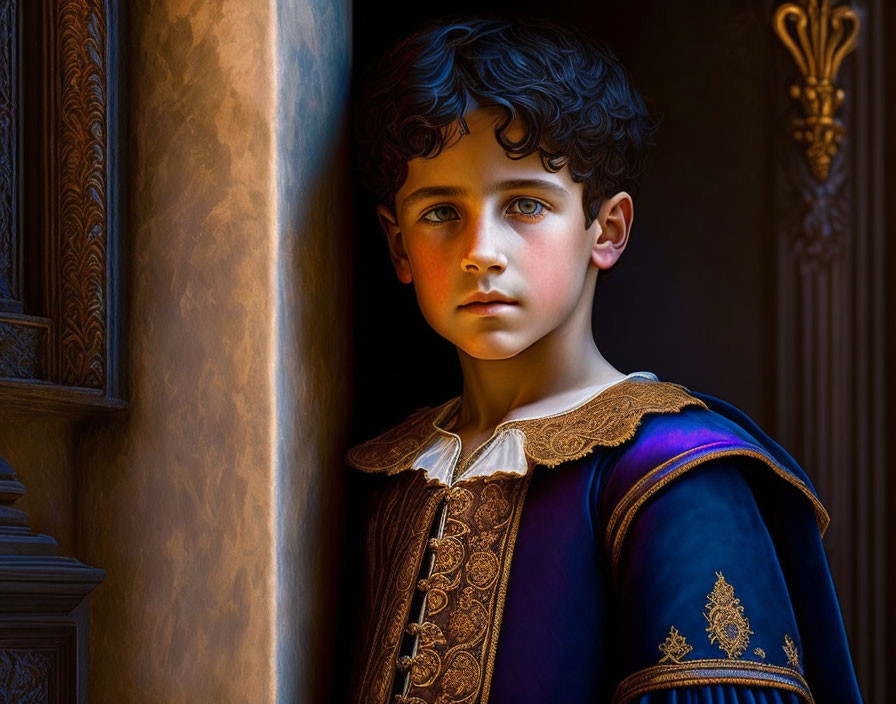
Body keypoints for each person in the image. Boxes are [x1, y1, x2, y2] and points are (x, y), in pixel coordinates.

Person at [344, 17, 861, 704]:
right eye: (441, 212)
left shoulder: (676, 473)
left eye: (525, 203)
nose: (481, 250)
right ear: (398, 245)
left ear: (606, 229)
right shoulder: (385, 478)